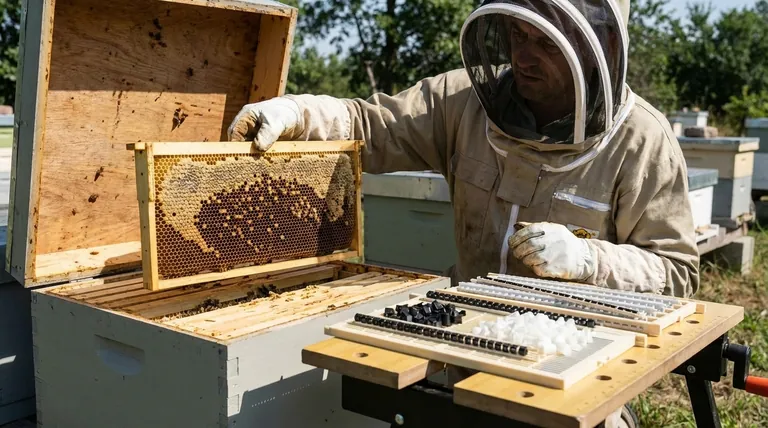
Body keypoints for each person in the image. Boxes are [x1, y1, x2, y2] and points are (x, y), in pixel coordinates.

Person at [228, 1, 697, 425]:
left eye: (544, 41)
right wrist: (299, 114)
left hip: (575, 366)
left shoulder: (642, 141)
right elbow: (373, 125)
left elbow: (676, 274)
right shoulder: (462, 100)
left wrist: (592, 261)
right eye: (518, 34)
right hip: (459, 348)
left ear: (602, 43)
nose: (523, 57)